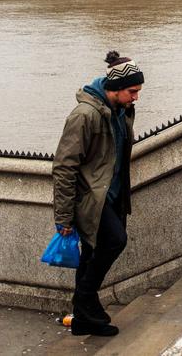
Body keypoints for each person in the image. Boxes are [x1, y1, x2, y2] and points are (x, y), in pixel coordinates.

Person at [52, 51, 144, 337]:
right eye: (132, 91)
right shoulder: (84, 116)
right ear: (114, 88)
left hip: (113, 195)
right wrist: (64, 217)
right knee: (115, 241)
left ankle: (82, 321)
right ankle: (85, 301)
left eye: (138, 91)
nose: (136, 98)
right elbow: (64, 167)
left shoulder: (122, 111)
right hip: (90, 199)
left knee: (92, 254)